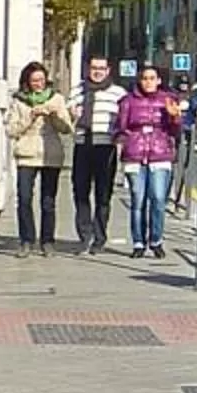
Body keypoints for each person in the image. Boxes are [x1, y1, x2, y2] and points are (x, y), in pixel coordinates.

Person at [6, 61, 72, 253]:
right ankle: (26, 239)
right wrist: (31, 117)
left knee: (48, 200)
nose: (38, 84)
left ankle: (47, 241)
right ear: (27, 81)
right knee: (24, 198)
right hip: (26, 154)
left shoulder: (56, 99)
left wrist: (53, 116)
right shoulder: (19, 101)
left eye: (41, 80)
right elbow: (11, 130)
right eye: (34, 81)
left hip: (50, 154)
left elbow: (67, 128)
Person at [116, 68, 180, 258]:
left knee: (158, 199)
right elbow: (120, 127)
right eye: (144, 78)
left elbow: (176, 131)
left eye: (152, 78)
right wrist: (127, 140)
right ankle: (138, 242)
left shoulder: (168, 99)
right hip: (135, 154)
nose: (148, 82)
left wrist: (175, 117)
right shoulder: (128, 101)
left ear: (159, 80)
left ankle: (156, 240)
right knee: (138, 200)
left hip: (160, 153)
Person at [69, 53, 123, 251]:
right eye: (94, 68)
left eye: (101, 68)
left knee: (103, 194)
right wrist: (71, 114)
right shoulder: (77, 91)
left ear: (108, 70)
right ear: (87, 70)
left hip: (106, 145)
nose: (97, 72)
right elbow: (67, 118)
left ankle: (99, 237)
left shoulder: (118, 93)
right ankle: (84, 234)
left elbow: (124, 120)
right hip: (83, 143)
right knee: (80, 191)